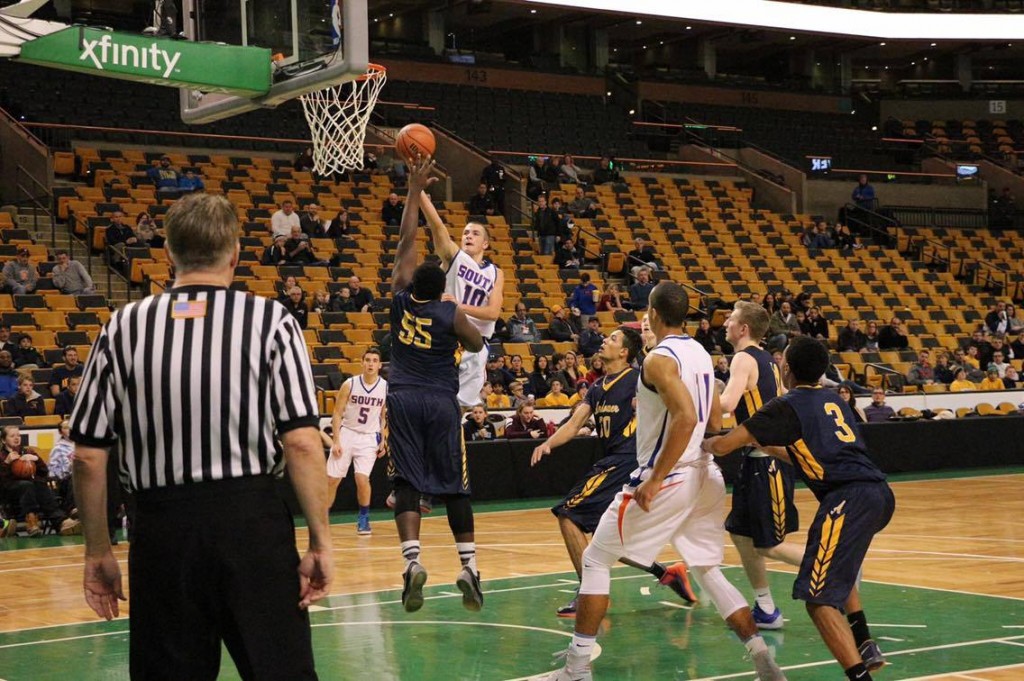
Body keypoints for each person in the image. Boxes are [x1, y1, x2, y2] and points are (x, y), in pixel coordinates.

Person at [69, 191, 332, 679]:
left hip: (162, 532)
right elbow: (300, 440)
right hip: (252, 526)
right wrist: (320, 542)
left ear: (167, 253)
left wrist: (98, 550)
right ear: (234, 253)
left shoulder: (122, 327)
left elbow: (87, 456)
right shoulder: (272, 322)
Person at [544, 282, 786, 681]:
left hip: (670, 477)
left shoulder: (658, 360)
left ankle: (576, 669)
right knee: (708, 569)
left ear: (654, 313)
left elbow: (688, 417)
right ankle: (763, 660)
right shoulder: (701, 353)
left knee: (595, 559)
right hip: (705, 475)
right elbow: (713, 419)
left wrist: (655, 478)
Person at [703, 336, 896, 681]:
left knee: (817, 599)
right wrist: (764, 440)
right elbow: (804, 454)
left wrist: (699, 440)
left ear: (786, 367)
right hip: (880, 494)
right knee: (838, 563)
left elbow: (723, 445)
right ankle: (865, 641)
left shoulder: (784, 405)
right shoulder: (832, 399)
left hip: (847, 499)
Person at [531, 327, 695, 618]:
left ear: (624, 352)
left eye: (613, 339)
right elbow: (573, 423)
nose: (605, 340)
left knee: (569, 514)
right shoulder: (596, 387)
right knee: (605, 539)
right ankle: (667, 573)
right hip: (615, 459)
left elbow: (674, 399)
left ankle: (588, 595)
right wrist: (548, 443)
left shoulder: (639, 378)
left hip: (628, 459)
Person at [385, 157, 486, 614]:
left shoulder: (401, 299)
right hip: (442, 401)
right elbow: (477, 341)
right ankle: (468, 567)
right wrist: (455, 308)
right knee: (454, 487)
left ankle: (412, 563)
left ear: (410, 284)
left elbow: (407, 240)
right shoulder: (449, 311)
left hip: (403, 397)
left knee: (406, 482)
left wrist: (412, 191)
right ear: (442, 286)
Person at [718, 301, 803, 630]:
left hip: (767, 460)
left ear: (744, 329)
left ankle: (839, 569)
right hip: (755, 459)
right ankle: (765, 608)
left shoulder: (743, 357)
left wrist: (687, 394)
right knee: (740, 534)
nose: (725, 322)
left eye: (731, 319)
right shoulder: (768, 359)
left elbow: (727, 405)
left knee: (770, 544)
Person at [419, 178, 505, 409]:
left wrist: (459, 306)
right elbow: (438, 228)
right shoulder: (455, 259)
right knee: (434, 402)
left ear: (485, 243)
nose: (468, 236)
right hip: (448, 338)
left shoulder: (496, 273)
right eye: (465, 232)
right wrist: (418, 192)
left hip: (477, 344)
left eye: (475, 233)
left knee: (460, 409)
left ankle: (451, 446)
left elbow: (493, 313)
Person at [329, 348, 387, 536]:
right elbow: (337, 413)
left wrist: (383, 440)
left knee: (362, 478)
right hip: (347, 433)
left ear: (380, 364)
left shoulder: (385, 387)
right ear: (362, 363)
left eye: (374, 360)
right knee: (332, 479)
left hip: (369, 437)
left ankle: (364, 518)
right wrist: (336, 440)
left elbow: (385, 417)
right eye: (367, 360)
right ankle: (321, 518)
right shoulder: (350, 384)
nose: (371, 363)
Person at [0, 424, 79, 536]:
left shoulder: (28, 451)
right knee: (27, 485)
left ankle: (61, 522)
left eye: (18, 435)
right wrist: (6, 463)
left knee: (39, 484)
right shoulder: (1, 456)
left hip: (31, 488)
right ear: (3, 440)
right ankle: (31, 520)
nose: (17, 438)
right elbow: (3, 481)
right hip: (8, 491)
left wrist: (35, 459)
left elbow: (44, 472)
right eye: (12, 436)